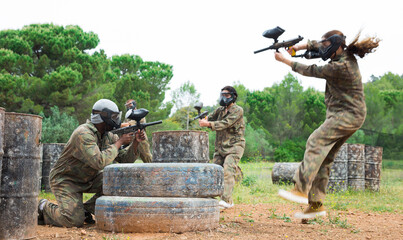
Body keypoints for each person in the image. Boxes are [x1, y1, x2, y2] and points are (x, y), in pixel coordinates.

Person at [274, 30, 380, 219]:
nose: (324, 48)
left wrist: (285, 61)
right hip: (348, 115)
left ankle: (300, 188)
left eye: (327, 45)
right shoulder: (340, 53)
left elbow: (312, 70)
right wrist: (298, 47)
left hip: (348, 114)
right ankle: (316, 205)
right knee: (325, 158)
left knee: (315, 141)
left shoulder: (342, 67)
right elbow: (318, 45)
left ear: (338, 46)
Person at [37, 99, 145, 227]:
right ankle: (43, 206)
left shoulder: (107, 135)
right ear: (103, 117)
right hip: (67, 180)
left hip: (90, 177)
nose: (117, 120)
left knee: (119, 180)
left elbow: (124, 160)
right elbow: (99, 162)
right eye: (114, 116)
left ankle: (85, 209)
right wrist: (120, 142)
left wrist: (136, 142)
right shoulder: (83, 133)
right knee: (72, 221)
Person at [199, 86, 245, 209]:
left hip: (235, 146)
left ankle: (226, 201)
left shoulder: (237, 110)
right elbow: (210, 117)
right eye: (222, 94)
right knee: (215, 172)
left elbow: (225, 123)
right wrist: (203, 118)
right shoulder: (220, 110)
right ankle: (213, 199)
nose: (224, 97)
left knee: (228, 170)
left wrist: (208, 124)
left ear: (233, 97)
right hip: (220, 147)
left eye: (227, 95)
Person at [122, 99, 153, 163]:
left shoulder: (139, 114)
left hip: (141, 139)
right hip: (131, 140)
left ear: (134, 104)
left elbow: (129, 125)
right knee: (125, 158)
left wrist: (119, 125)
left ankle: (154, 170)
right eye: (127, 105)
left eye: (129, 105)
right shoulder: (128, 116)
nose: (128, 107)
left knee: (147, 158)